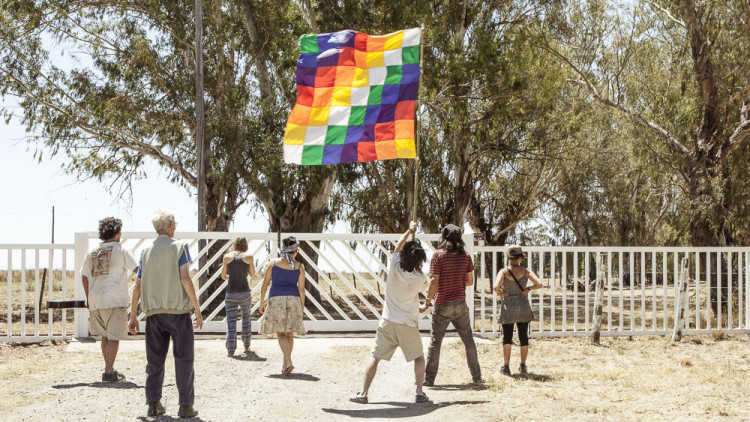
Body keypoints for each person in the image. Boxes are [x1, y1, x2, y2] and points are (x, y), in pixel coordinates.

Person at [128, 210, 203, 418]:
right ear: (170, 225)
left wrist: (133, 316)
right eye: (174, 223)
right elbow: (185, 278)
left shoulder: (145, 252)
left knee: (154, 360)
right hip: (178, 312)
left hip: (153, 313)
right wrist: (196, 308)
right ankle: (185, 405)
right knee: (184, 358)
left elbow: (137, 286)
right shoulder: (179, 247)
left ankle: (153, 403)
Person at [350, 221, 430, 404]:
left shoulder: (394, 265)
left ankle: (363, 393)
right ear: (420, 261)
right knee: (418, 358)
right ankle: (419, 392)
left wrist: (409, 229)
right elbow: (422, 286)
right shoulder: (419, 278)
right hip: (407, 323)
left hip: (387, 321)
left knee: (375, 358)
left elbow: (398, 246)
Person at [420, 224, 482, 386]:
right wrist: (457, 282)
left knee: (436, 342)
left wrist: (427, 302)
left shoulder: (438, 255)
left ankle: (429, 379)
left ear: (443, 238)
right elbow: (470, 281)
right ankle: (476, 377)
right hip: (460, 303)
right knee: (468, 341)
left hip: (442, 303)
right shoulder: (466, 256)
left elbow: (434, 281)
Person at [80, 217, 138, 383]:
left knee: (105, 336)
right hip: (114, 299)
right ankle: (108, 372)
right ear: (117, 233)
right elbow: (137, 269)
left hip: (95, 300)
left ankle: (110, 369)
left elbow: (84, 276)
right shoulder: (122, 249)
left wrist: (88, 297)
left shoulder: (92, 251)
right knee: (114, 337)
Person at [258, 236, 307, 375]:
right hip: (293, 300)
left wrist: (262, 301)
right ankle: (286, 363)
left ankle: (288, 362)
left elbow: (265, 284)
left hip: (276, 299)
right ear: (294, 251)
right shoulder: (299, 266)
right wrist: (301, 307)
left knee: (280, 332)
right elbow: (301, 289)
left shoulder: (272, 263)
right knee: (289, 333)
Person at [493, 245, 542, 376]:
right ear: (520, 257)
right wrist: (528, 289)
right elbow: (539, 284)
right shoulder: (526, 271)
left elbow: (495, 287)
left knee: (507, 337)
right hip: (522, 306)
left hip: (508, 306)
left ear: (509, 258)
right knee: (523, 336)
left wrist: (501, 293)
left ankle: (506, 367)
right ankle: (523, 365)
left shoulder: (504, 272)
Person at [220, 236, 256, 357]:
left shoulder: (227, 257)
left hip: (230, 293)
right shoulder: (249, 257)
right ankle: (246, 345)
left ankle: (230, 351)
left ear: (234, 244)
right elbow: (252, 274)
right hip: (244, 292)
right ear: (245, 245)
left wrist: (231, 277)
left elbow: (223, 276)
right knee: (246, 319)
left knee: (231, 321)